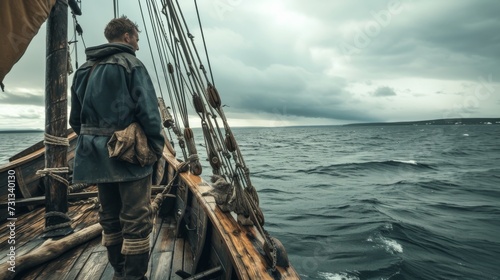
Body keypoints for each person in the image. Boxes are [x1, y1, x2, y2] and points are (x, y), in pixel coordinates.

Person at [70, 16, 164, 280]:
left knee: (109, 215)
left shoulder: (83, 70)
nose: (137, 43)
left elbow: (75, 121)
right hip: (128, 156)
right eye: (136, 37)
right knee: (136, 218)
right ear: (126, 36)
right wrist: (155, 147)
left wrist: (96, 142)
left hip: (94, 157)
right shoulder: (131, 64)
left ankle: (119, 272)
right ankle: (134, 277)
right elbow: (149, 114)